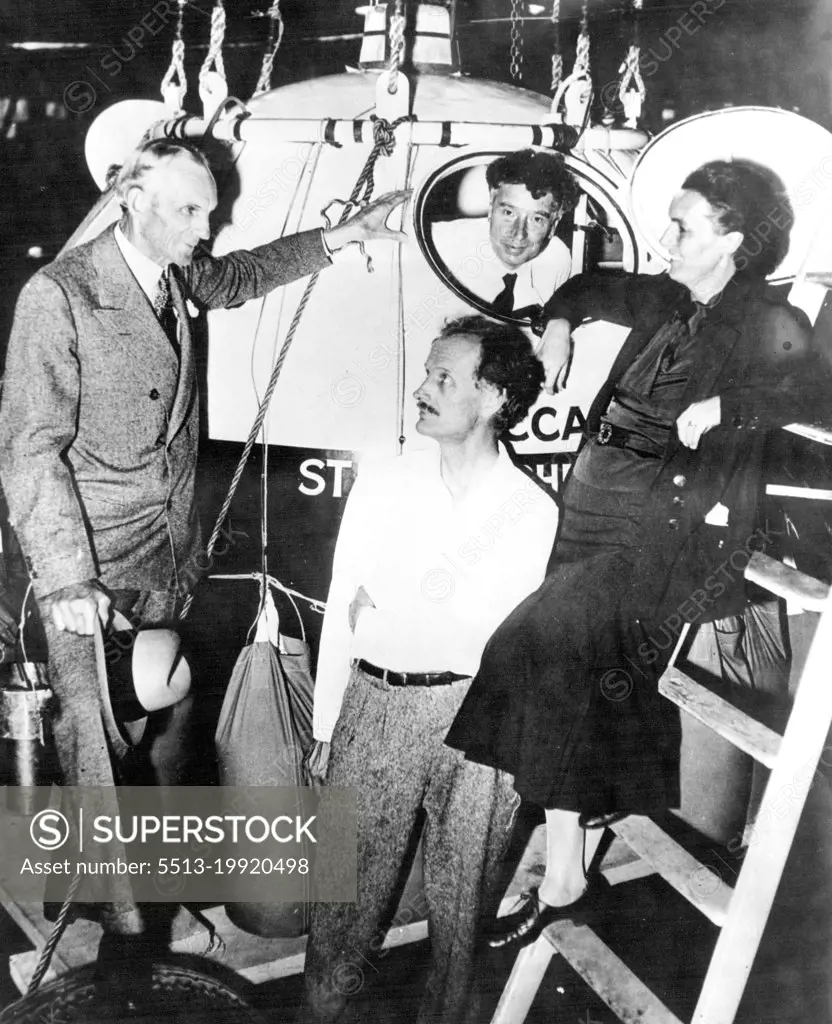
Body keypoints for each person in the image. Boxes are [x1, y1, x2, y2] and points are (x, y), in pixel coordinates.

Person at [0, 139, 407, 957]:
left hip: (165, 549)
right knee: (97, 742)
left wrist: (343, 236)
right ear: (131, 198)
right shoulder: (62, 296)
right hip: (87, 561)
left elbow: (240, 276)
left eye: (210, 210)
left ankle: (118, 889)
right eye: (190, 210)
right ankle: (130, 930)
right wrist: (69, 578)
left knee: (163, 722)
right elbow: (29, 448)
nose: (205, 226)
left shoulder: (177, 273)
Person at [445, 158, 832, 947]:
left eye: (683, 226)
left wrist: (730, 403)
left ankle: (563, 867)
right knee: (574, 665)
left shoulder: (767, 318)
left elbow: (817, 391)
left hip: (665, 527)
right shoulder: (663, 294)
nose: (665, 236)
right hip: (590, 504)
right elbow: (588, 287)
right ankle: (567, 863)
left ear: (731, 238)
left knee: (536, 641)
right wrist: (556, 323)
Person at [302, 315, 559, 1023]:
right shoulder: (382, 485)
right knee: (340, 916)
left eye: (443, 378)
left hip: (481, 724)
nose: (421, 388)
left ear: (494, 397)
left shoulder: (530, 512)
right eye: (426, 373)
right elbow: (342, 606)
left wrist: (392, 608)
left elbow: (508, 650)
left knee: (461, 924)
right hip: (377, 708)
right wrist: (328, 725)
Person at [430, 148, 580, 319]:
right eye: (509, 213)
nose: (518, 234)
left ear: (553, 226)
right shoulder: (441, 242)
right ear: (490, 208)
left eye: (536, 219)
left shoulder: (557, 258)